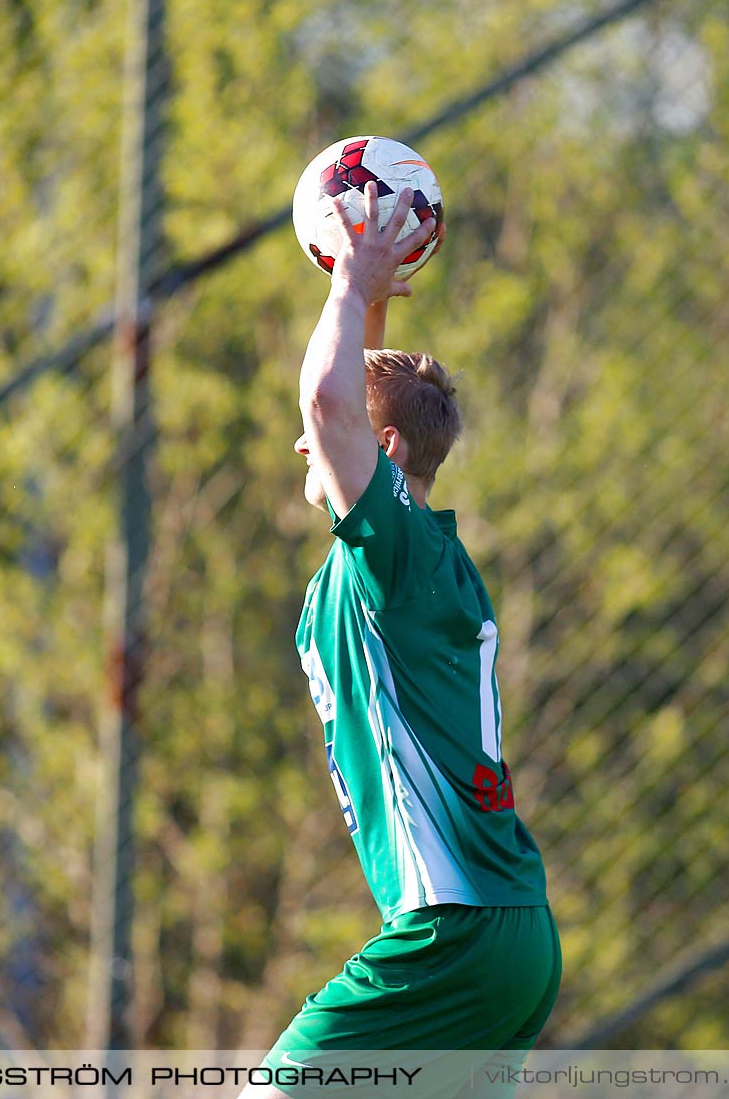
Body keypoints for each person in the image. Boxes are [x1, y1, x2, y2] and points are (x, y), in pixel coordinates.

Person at [243, 183, 559, 1099]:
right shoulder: (407, 559)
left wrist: (351, 280)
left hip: (452, 932)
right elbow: (348, 405)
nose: (303, 444)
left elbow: (329, 405)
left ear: (383, 450)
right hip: (508, 932)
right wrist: (368, 292)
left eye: (323, 438)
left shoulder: (397, 556)